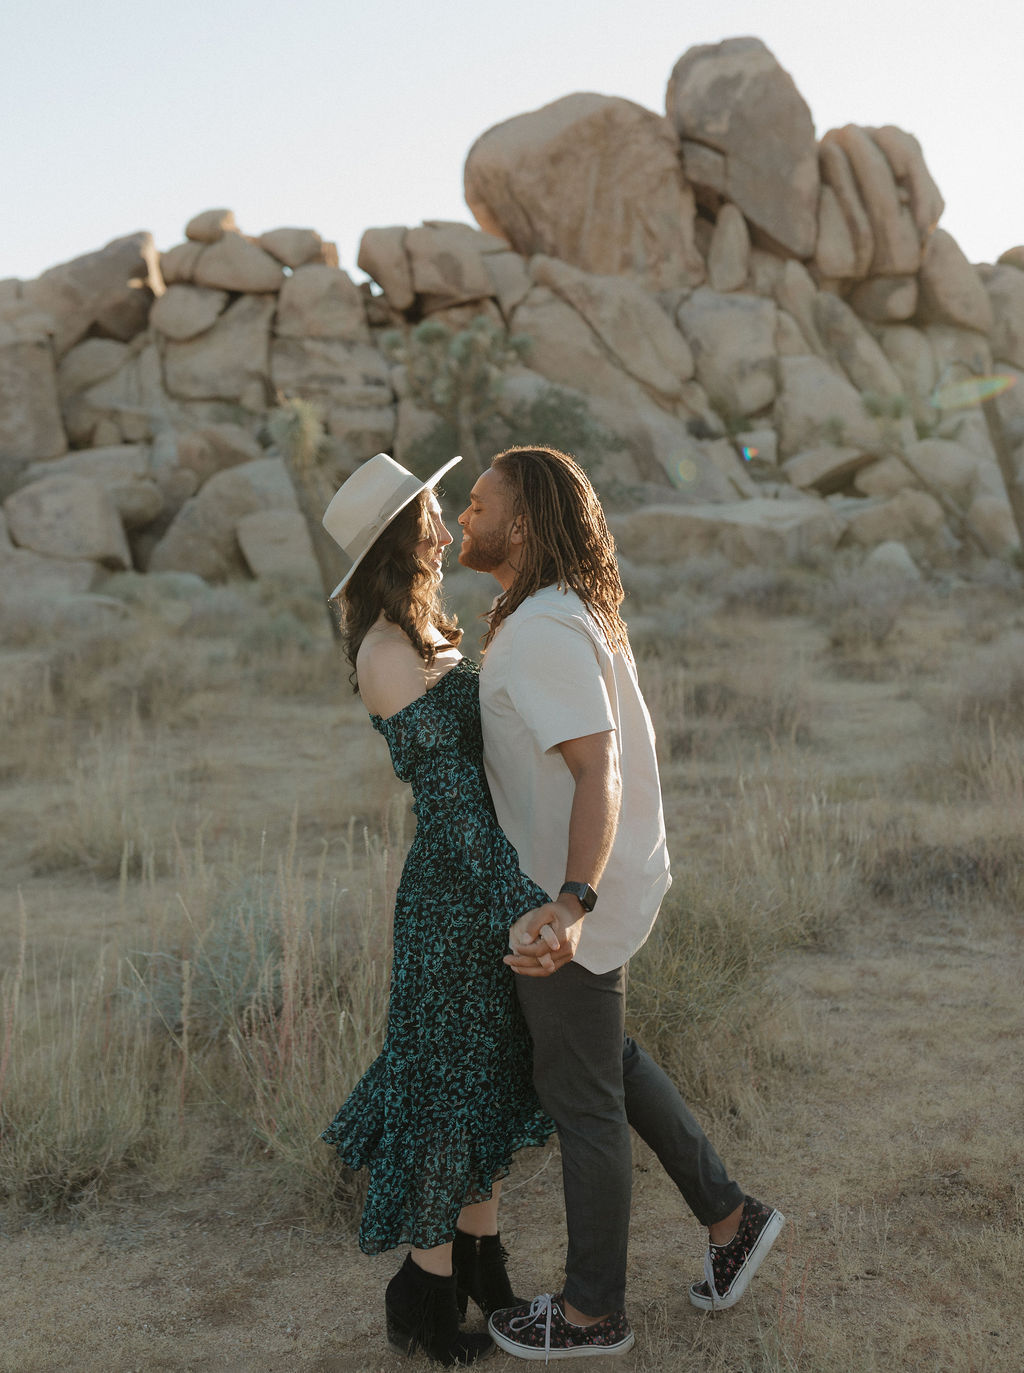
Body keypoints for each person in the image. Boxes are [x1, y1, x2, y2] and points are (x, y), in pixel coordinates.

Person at [456, 446, 785, 1360]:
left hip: (575, 893)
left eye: (478, 504)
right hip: (605, 879)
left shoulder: (543, 631)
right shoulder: (557, 610)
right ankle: (732, 1219)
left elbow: (595, 771)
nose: (461, 518)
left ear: (520, 523)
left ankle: (596, 1310)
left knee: (583, 1098)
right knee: (608, 1057)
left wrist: (570, 902)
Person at [319, 453, 559, 1367]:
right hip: (454, 898)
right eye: (429, 507)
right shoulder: (384, 652)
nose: (445, 518)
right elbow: (453, 808)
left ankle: (485, 1272)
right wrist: (520, 906)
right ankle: (420, 1299)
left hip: (491, 880)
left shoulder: (430, 626)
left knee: (487, 1085)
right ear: (401, 534)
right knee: (438, 1094)